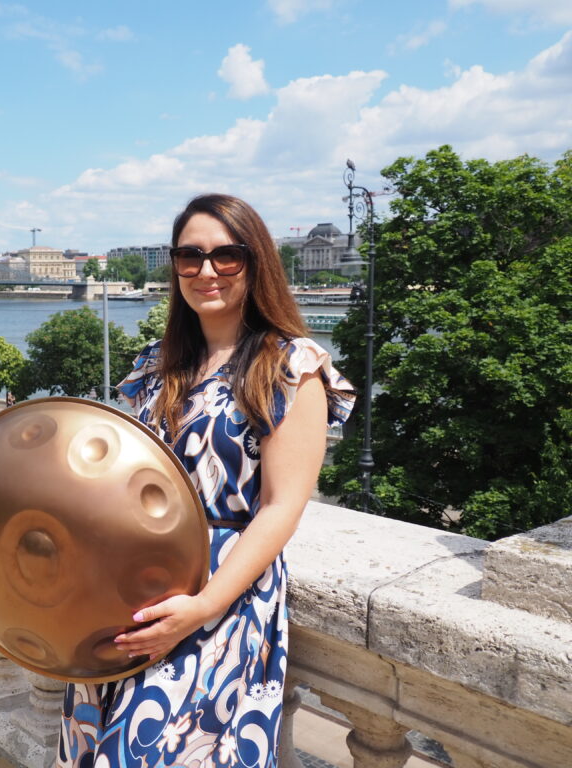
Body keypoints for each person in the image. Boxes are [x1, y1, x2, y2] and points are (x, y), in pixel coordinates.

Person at [57, 194, 354, 767]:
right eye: (189, 256)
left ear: (256, 263)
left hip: (220, 598)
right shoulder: (157, 364)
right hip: (126, 590)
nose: (206, 270)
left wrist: (202, 606)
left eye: (227, 255)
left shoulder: (290, 366)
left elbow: (282, 507)